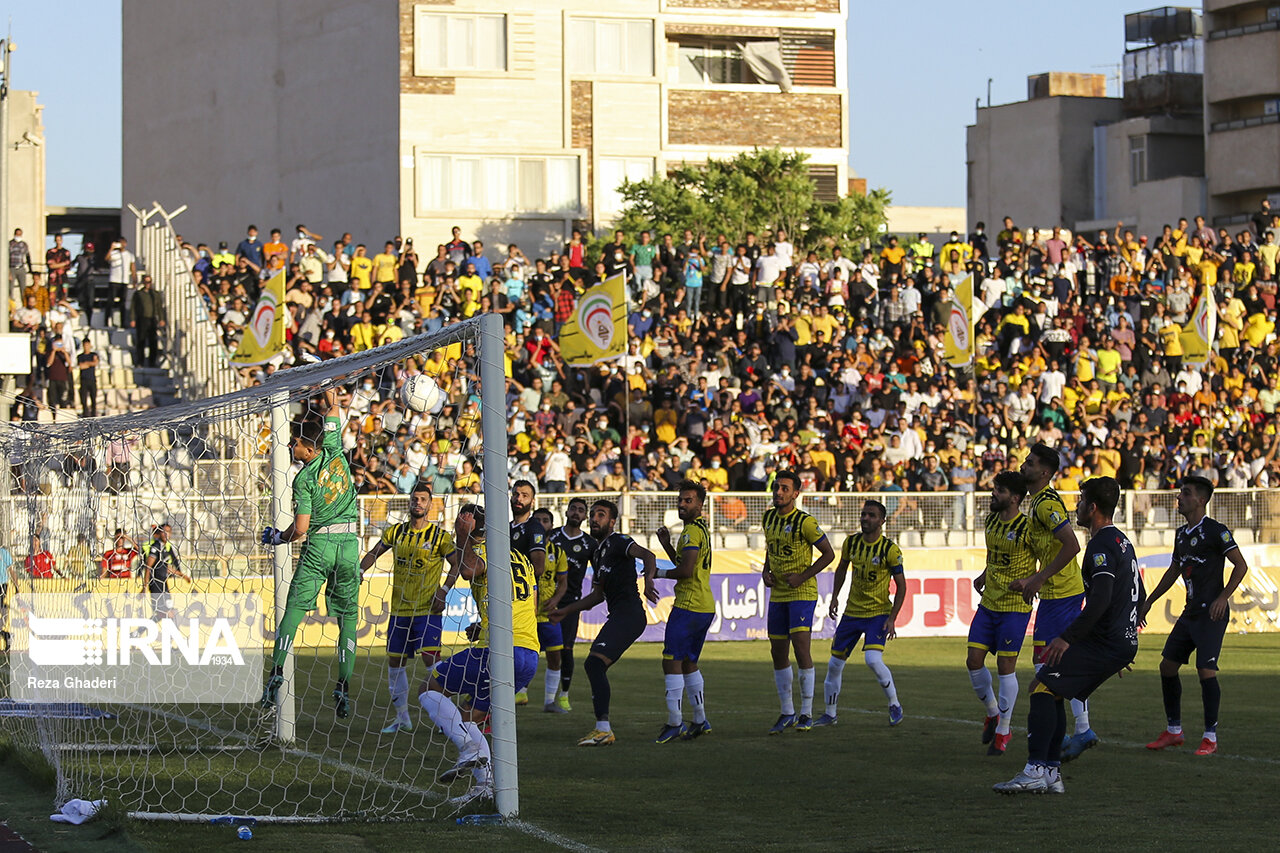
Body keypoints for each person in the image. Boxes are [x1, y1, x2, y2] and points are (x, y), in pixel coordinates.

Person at [995, 477, 1143, 795]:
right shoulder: (1122, 542)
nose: (1075, 506)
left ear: (1092, 507)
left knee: (1041, 688)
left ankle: (1036, 769)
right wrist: (1124, 638)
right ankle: (1050, 774)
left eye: (1079, 501)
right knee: (1052, 689)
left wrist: (1069, 638)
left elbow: (1102, 599)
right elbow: (1137, 593)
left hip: (1108, 641)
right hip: (1115, 641)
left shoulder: (1101, 544)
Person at [421, 504, 539, 805]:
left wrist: (463, 537)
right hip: (528, 653)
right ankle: (485, 786)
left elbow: (469, 568)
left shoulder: (487, 550)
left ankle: (472, 752)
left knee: (429, 688)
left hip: (500, 651)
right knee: (469, 716)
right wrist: (483, 625)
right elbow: (530, 605)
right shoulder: (521, 558)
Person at [261, 388, 361, 718]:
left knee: (293, 609)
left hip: (319, 547)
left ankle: (276, 672)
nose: (292, 448)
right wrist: (326, 378)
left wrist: (278, 537)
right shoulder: (334, 452)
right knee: (347, 617)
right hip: (348, 545)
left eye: (295, 444)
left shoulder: (303, 479)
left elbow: (300, 529)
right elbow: (333, 407)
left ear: (307, 448)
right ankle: (344, 684)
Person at [1141, 475, 1249, 756]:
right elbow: (1173, 571)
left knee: (1205, 670)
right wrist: (1149, 601)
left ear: (1201, 500)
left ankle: (1210, 736)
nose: (1179, 498)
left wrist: (1222, 598)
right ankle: (1174, 731)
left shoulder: (1216, 531)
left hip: (1211, 613)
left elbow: (1240, 565)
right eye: (1180, 493)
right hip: (1190, 612)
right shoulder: (1181, 535)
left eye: (1185, 494)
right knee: (1166, 667)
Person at [549, 499, 658, 746]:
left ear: (612, 522)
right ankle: (602, 729)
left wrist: (649, 579)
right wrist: (565, 611)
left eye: (601, 515)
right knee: (594, 665)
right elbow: (597, 596)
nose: (594, 519)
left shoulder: (619, 541)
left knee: (594, 664)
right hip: (619, 615)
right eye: (593, 514)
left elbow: (647, 555)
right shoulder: (597, 554)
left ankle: (603, 730)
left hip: (630, 615)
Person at [1011, 444, 1092, 760]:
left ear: (1044, 472)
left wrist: (1039, 578)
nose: (1023, 465)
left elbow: (1072, 545)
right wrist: (1030, 579)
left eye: (1029, 463)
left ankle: (1075, 732)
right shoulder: (1037, 504)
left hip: (1062, 595)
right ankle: (1077, 729)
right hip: (1054, 595)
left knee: (1049, 669)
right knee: (1047, 666)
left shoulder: (1046, 505)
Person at [359, 479, 458, 734]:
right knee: (395, 662)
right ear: (409, 502)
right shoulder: (396, 532)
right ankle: (402, 718)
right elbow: (375, 552)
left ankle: (444, 717)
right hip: (399, 610)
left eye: (423, 499)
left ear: (430, 504)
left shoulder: (440, 536)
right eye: (414, 498)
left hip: (427, 609)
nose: (418, 503)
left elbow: (456, 565)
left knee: (430, 659)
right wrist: (360, 569)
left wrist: (443, 591)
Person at [815, 499, 906, 728]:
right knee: (835, 664)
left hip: (878, 613)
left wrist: (892, 617)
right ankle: (830, 713)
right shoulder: (852, 543)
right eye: (864, 514)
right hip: (853, 612)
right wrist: (835, 597)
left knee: (872, 659)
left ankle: (894, 703)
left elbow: (902, 586)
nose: (865, 518)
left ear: (882, 521)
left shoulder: (890, 550)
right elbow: (842, 569)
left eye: (871, 515)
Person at [967, 471, 1036, 755]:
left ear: (1015, 498)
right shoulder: (991, 521)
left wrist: (1035, 581)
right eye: (995, 488)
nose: (993, 493)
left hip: (1015, 608)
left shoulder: (1029, 528)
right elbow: (995, 556)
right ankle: (993, 711)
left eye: (1000, 490)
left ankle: (1004, 730)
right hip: (989, 603)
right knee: (973, 661)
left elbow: (1045, 558)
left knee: (1006, 667)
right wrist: (985, 574)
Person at [761, 470, 835, 734]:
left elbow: (829, 554)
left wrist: (802, 576)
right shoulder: (768, 517)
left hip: (802, 592)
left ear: (795, 494)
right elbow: (771, 548)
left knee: (801, 648)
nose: (778, 492)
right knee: (777, 651)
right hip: (779, 592)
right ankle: (787, 712)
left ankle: (805, 712)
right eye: (776, 487)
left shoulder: (805, 521)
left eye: (784, 488)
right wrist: (765, 570)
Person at [652, 480, 715, 743]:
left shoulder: (691, 532)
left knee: (671, 660)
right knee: (689, 662)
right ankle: (700, 720)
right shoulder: (698, 529)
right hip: (703, 606)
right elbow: (687, 563)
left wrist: (658, 572)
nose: (682, 504)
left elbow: (685, 571)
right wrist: (667, 545)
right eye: (681, 499)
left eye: (688, 500)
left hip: (689, 605)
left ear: (700, 505)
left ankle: (674, 722)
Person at [548, 497, 593, 710]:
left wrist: (595, 592)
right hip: (545, 600)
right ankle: (521, 691)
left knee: (566, 649)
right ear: (566, 512)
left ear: (585, 516)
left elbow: (599, 570)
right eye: (573, 509)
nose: (576, 513)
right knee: (531, 646)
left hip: (571, 603)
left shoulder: (589, 544)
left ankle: (564, 695)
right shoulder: (553, 536)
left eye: (581, 510)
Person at [508, 479, 547, 704]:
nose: (518, 499)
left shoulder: (534, 528)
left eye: (524, 495)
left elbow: (539, 567)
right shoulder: (506, 527)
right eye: (516, 494)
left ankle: (520, 686)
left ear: (532, 501)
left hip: (522, 597)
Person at [531, 507, 568, 713]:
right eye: (538, 520)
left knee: (555, 657)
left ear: (551, 526)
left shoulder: (558, 552)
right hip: (525, 614)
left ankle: (549, 701)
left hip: (548, 614)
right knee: (518, 656)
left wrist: (555, 599)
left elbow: (563, 582)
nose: (541, 523)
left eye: (545, 520)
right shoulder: (522, 549)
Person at [142, 524, 191, 620]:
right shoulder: (156, 547)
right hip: (156, 585)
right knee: (165, 613)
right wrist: (145, 586)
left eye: (168, 532)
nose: (166, 534)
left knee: (166, 613)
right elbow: (148, 567)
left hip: (164, 585)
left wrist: (183, 575)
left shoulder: (165, 547)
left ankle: (138, 632)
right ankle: (140, 632)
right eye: (164, 531)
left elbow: (167, 568)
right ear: (160, 533)